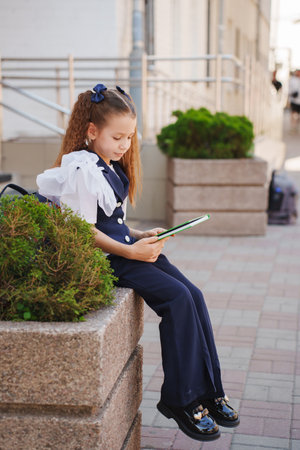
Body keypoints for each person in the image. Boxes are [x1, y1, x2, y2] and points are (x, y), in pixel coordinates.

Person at [36, 83, 239, 442]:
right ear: (92, 131)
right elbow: (81, 231)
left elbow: (109, 220)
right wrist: (130, 251)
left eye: (129, 138)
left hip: (122, 248)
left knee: (193, 294)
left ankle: (208, 391)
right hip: (106, 259)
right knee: (176, 300)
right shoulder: (81, 169)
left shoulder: (107, 165)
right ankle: (181, 400)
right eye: (118, 137)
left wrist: (140, 234)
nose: (124, 145)